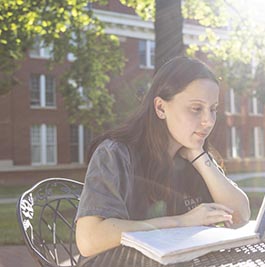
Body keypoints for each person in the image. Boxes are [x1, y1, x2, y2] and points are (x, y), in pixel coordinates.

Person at [75, 56, 251, 257]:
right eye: (196, 109)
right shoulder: (115, 153)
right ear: (160, 108)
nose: (208, 121)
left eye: (213, 109)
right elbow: (89, 240)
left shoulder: (193, 155)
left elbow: (240, 216)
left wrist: (199, 157)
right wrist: (181, 222)